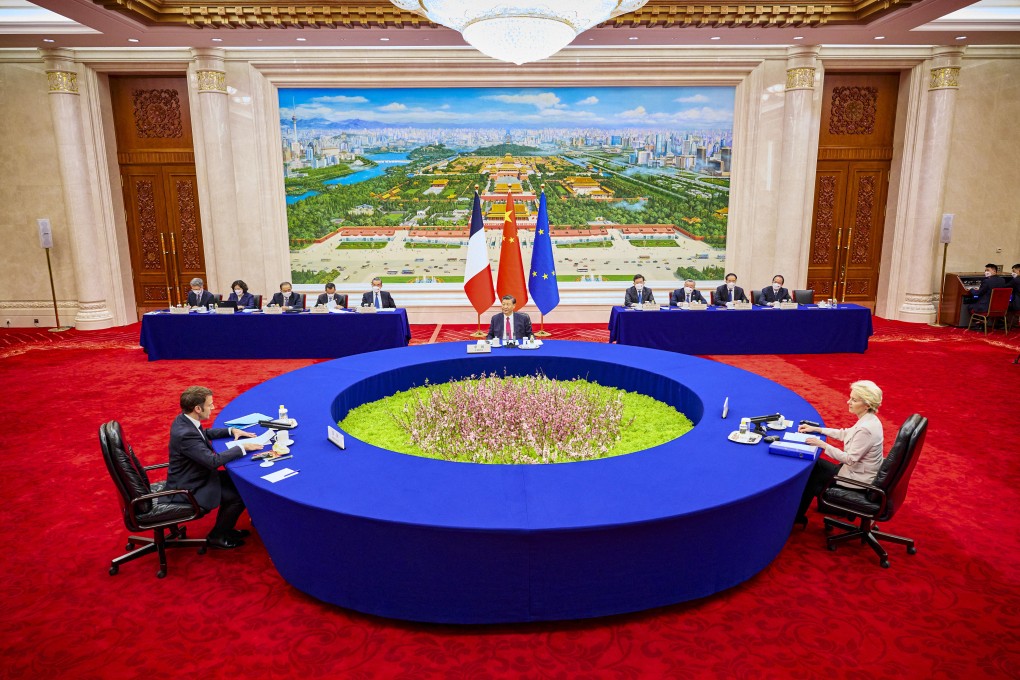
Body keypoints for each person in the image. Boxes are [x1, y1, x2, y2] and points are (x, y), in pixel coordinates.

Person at [166, 386, 264, 549]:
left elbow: (203, 434)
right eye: (210, 405)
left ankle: (225, 529)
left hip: (196, 475)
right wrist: (243, 447)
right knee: (238, 495)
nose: (213, 407)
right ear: (198, 408)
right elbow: (213, 461)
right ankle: (217, 536)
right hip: (191, 486)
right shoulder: (185, 434)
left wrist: (231, 431)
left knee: (239, 483)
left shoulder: (184, 420)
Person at [794, 380, 885, 527]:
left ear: (867, 404)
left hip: (858, 479)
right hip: (860, 472)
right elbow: (845, 434)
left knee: (814, 470)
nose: (848, 402)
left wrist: (822, 444)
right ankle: (814, 509)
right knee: (817, 468)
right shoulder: (870, 420)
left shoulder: (866, 429)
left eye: (854, 400)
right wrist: (818, 430)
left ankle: (798, 517)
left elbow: (850, 459)